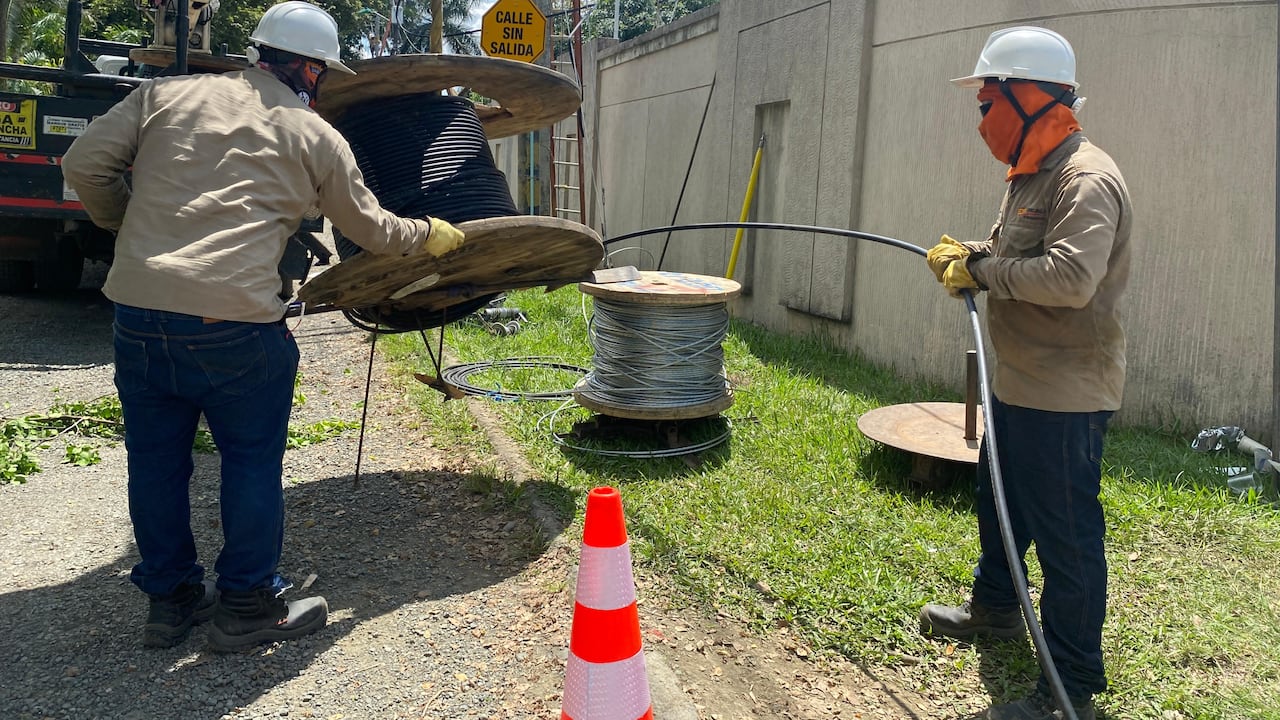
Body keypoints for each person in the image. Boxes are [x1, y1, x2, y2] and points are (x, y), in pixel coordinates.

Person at [61, 1, 465, 652]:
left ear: (258, 53)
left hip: (137, 316)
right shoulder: (313, 135)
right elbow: (373, 231)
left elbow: (83, 164)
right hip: (235, 327)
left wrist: (121, 226)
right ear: (308, 70)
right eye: (323, 74)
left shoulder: (167, 95)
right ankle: (247, 604)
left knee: (156, 464)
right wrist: (431, 235)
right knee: (249, 462)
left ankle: (169, 603)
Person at [921, 26, 1133, 720]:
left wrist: (982, 272)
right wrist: (969, 250)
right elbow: (1019, 251)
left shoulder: (1085, 176)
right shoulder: (1032, 172)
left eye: (989, 102)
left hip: (1064, 395)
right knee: (999, 505)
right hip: (1017, 381)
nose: (982, 118)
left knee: (1067, 538)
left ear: (1027, 96)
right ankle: (996, 609)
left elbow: (1070, 277)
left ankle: (1070, 687)